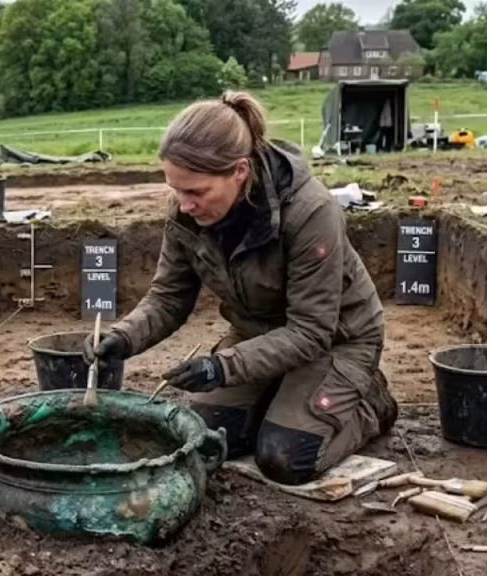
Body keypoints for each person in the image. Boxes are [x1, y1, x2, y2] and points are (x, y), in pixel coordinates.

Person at [84, 90, 398, 486]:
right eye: (176, 190)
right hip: (258, 334)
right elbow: (169, 296)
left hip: (337, 339)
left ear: (240, 172)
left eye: (196, 192)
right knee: (207, 437)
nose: (184, 205)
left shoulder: (310, 212)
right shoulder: (187, 214)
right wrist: (123, 338)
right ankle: (282, 398)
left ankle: (371, 403)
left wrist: (221, 367)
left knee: (285, 457)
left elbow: (311, 331)